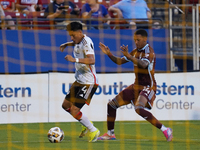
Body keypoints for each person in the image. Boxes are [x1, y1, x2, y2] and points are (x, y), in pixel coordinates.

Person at [97, 29, 173, 142]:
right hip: (136, 86)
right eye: (135, 40)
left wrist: (130, 56)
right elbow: (119, 61)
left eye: (138, 40)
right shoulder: (135, 51)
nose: (136, 42)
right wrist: (109, 54)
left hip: (148, 86)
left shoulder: (149, 51)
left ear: (145, 39)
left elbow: (143, 64)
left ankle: (165, 129)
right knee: (111, 105)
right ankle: (110, 134)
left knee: (138, 108)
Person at [60, 21, 100, 142]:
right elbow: (76, 42)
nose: (72, 38)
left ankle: (93, 130)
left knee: (74, 110)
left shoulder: (87, 42)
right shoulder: (78, 40)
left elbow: (92, 60)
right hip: (79, 80)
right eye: (70, 36)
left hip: (88, 82)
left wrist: (74, 59)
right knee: (65, 105)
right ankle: (85, 124)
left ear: (80, 32)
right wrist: (67, 44)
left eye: (73, 35)